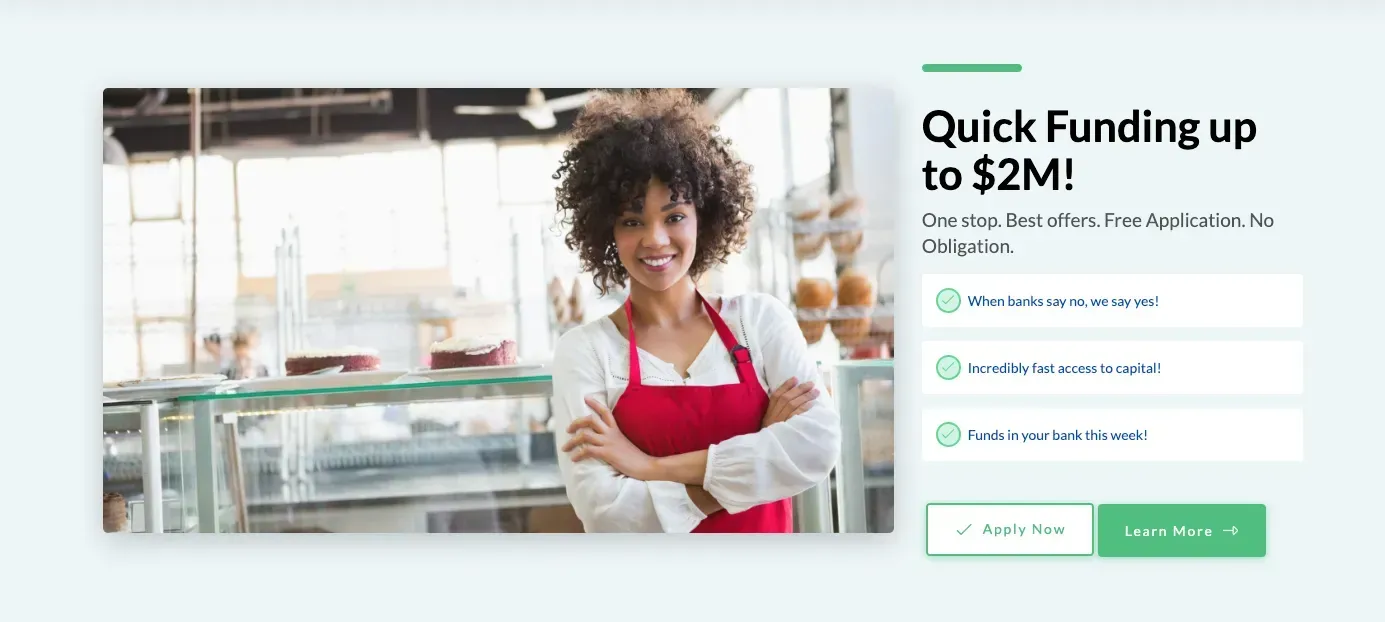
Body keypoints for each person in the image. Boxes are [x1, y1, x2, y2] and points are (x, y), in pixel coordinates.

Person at [550, 89, 841, 533]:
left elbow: (817, 447)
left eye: (674, 216)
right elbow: (606, 512)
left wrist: (649, 468)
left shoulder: (761, 322)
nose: (656, 240)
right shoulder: (585, 351)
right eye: (632, 221)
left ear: (703, 216)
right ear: (606, 231)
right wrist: (757, 451)